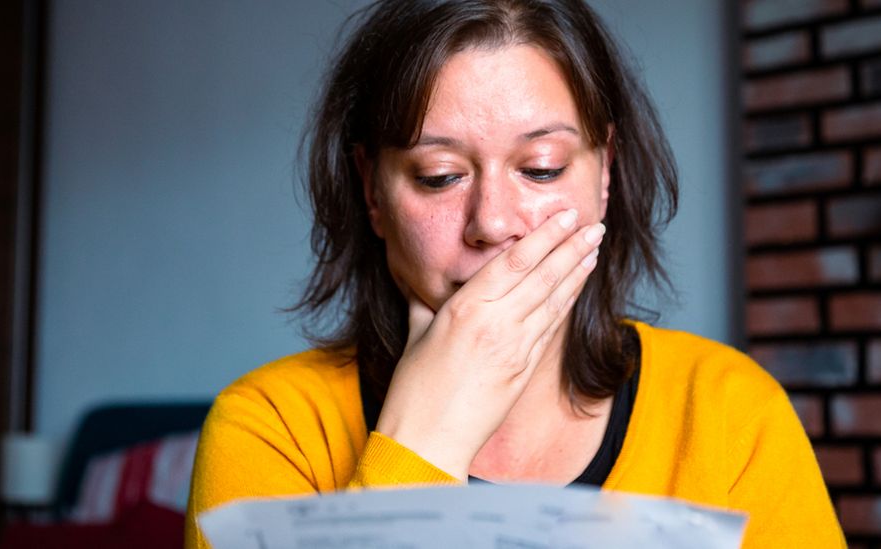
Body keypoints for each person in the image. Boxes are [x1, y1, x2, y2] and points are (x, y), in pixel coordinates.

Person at [186, 1, 844, 547]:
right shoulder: (270, 427)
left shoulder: (731, 413)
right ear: (372, 190)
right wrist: (425, 436)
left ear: (606, 171)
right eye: (439, 176)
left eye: (542, 167)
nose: (493, 223)